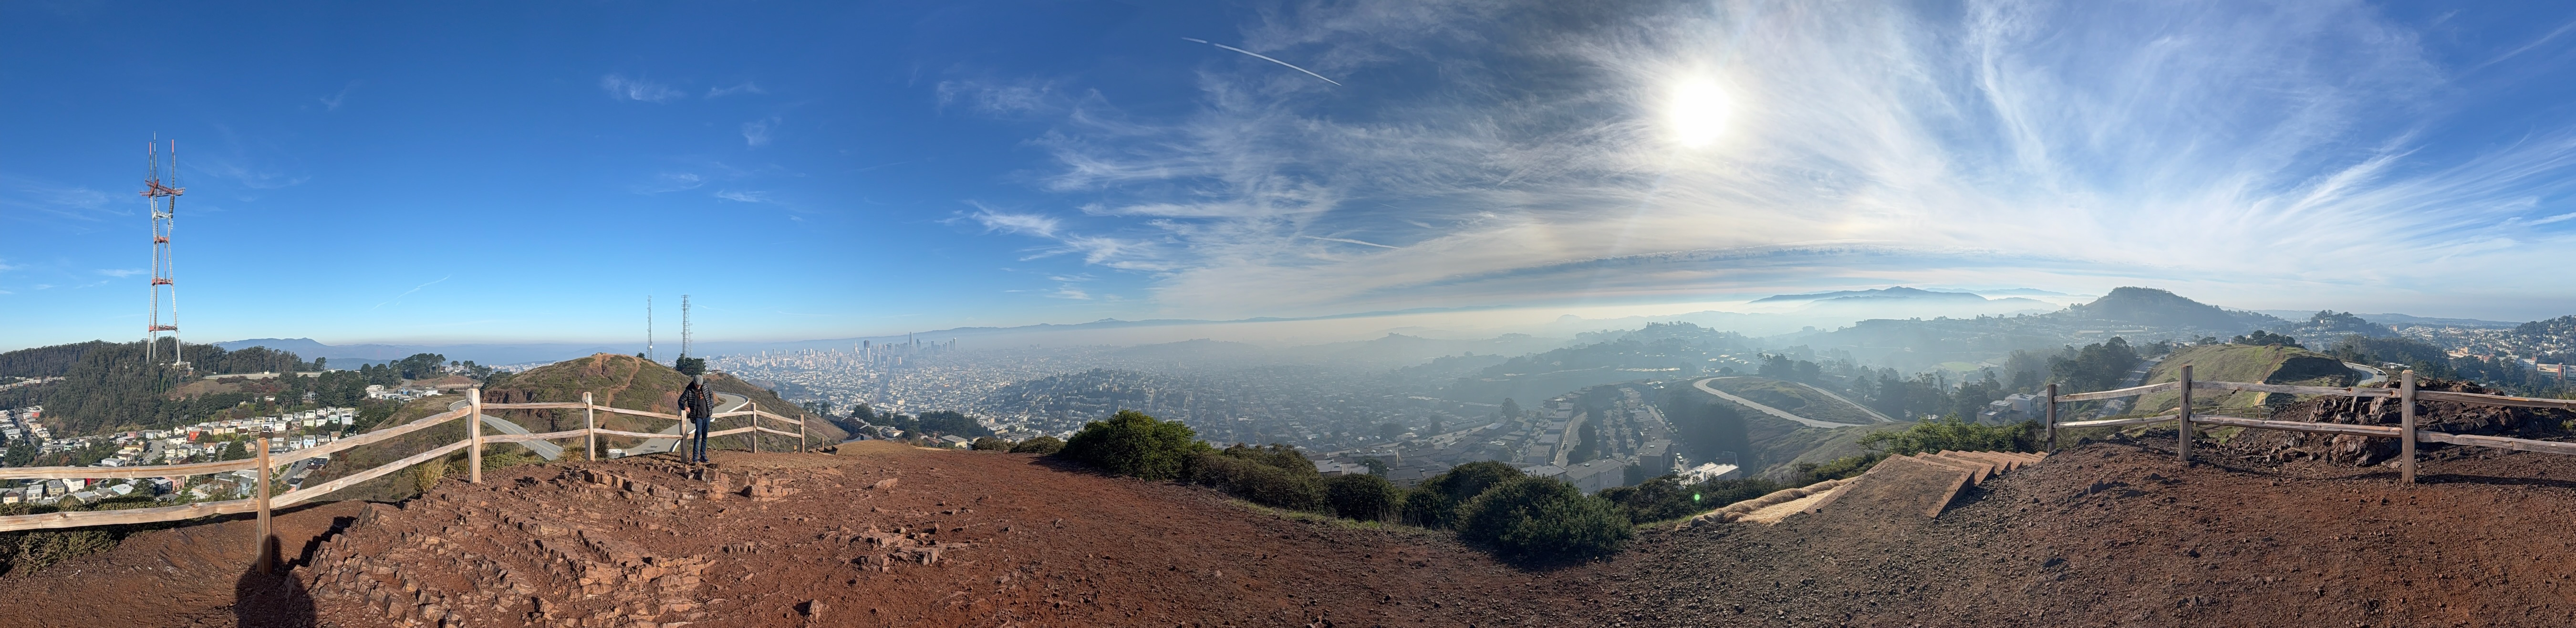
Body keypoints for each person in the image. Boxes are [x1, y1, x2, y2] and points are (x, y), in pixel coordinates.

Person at [679, 374, 716, 463]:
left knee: (705, 436)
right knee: (698, 434)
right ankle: (695, 458)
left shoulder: (706, 386)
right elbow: (681, 401)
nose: (699, 386)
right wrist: (685, 407)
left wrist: (711, 406)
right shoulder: (689, 390)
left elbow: (711, 395)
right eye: (697, 385)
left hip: (707, 415)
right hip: (697, 416)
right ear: (694, 383)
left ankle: (703, 456)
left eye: (700, 385)